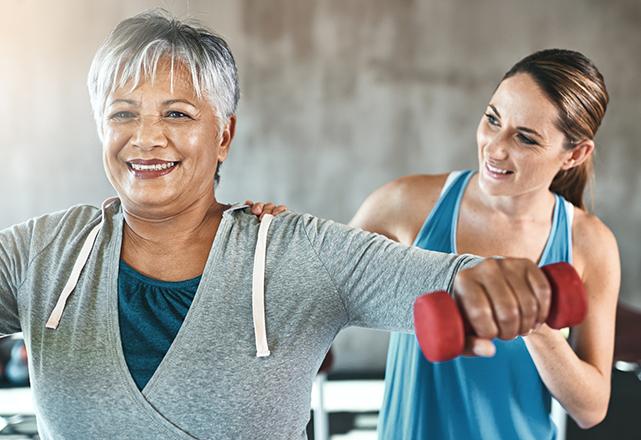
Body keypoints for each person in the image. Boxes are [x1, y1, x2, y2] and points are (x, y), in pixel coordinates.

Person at [0, 10, 555, 440]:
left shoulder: (297, 254)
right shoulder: (42, 253)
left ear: (223, 135)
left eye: (177, 113)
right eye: (123, 113)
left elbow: (440, 277)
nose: (145, 137)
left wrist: (485, 280)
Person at [251, 49, 620, 440]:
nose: (495, 147)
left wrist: (536, 326)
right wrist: (271, 240)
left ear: (574, 154)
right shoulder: (406, 203)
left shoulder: (589, 243)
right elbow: (316, 297)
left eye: (525, 138)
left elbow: (591, 408)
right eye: (492, 119)